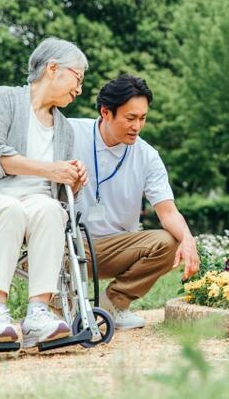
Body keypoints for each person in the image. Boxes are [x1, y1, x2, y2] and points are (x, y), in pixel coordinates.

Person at [0, 37, 89, 347]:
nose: (79, 89)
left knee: (53, 210)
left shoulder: (64, 127)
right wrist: (51, 169)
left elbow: (60, 193)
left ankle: (38, 314)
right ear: (53, 69)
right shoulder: (5, 99)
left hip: (38, 203)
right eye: (77, 78)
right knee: (10, 209)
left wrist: (73, 182)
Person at [70, 74, 200, 330]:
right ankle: (62, 307)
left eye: (142, 118)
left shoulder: (147, 156)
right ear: (106, 112)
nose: (137, 126)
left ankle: (113, 304)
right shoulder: (71, 133)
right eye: (130, 118)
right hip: (69, 243)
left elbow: (168, 212)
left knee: (169, 241)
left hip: (117, 248)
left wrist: (188, 239)